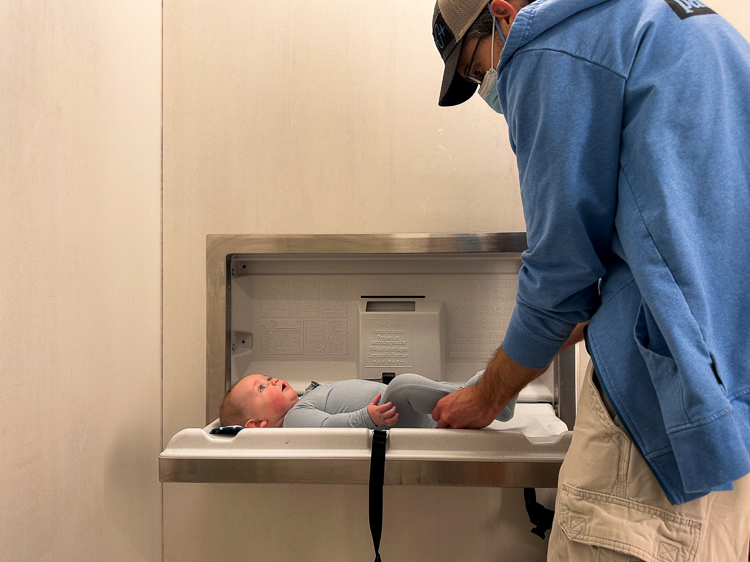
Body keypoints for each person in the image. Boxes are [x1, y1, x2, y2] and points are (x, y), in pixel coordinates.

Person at [429, 0, 750, 559]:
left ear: (503, 12)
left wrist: (485, 397)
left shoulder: (546, 44)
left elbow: (560, 278)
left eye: (478, 69)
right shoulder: (689, 23)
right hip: (727, 412)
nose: (488, 88)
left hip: (654, 418)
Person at [219, 371, 517, 429]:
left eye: (267, 377)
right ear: (257, 425)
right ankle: (483, 397)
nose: (272, 380)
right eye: (261, 388)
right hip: (389, 414)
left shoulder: (303, 399)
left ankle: (487, 397)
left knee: (481, 378)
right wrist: (367, 417)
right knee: (403, 386)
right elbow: (328, 427)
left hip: (399, 414)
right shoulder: (294, 420)